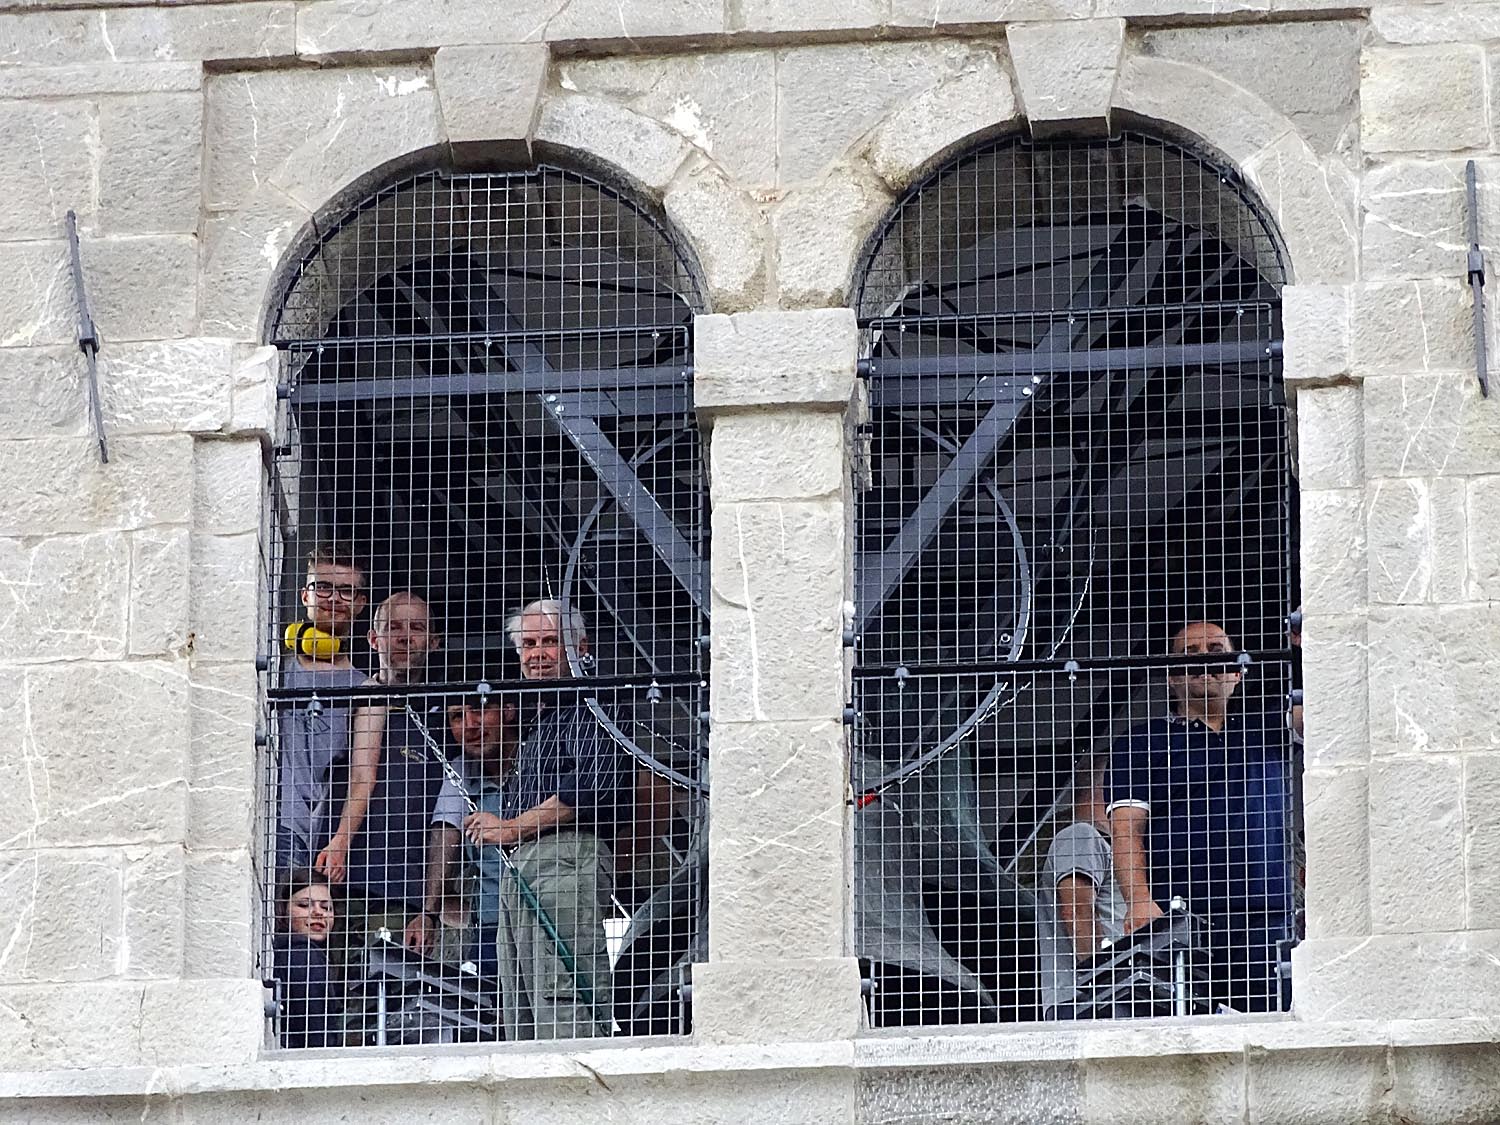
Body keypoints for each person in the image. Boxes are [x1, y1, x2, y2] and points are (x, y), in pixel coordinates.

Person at [1106, 621, 1294, 1013]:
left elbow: (1324, 712)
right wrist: (1138, 901)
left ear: (1237, 672)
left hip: (1268, 916)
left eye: (1216, 652)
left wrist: (1304, 651)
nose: (1205, 662)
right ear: (1172, 676)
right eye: (1189, 655)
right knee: (1188, 1031)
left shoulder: (1268, 727)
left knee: (1271, 1028)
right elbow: (1126, 830)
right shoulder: (1141, 742)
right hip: (1184, 919)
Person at [462, 598, 629, 1039]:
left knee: (563, 997)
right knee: (520, 1009)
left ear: (580, 647)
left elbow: (590, 787)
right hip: (526, 867)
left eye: (550, 641)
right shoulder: (545, 714)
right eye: (529, 644)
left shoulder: (592, 701)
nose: (537, 653)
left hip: (565, 859)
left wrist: (510, 828)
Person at [319, 592, 447, 960]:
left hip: (404, 893)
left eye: (416, 628)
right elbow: (363, 775)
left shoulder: (448, 714)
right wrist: (340, 843)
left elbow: (450, 815)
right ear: (373, 640)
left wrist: (430, 909)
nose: (405, 637)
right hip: (339, 882)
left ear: (434, 642)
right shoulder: (359, 695)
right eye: (393, 627)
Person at [407, 698, 521, 988]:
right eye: (457, 716)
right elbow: (445, 833)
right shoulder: (462, 768)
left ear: (508, 710)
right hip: (489, 929)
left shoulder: (538, 756)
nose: (470, 725)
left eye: (480, 710)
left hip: (543, 920)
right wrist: (429, 913)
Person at [276, 544, 368, 874]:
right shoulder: (274, 667)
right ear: (305, 596)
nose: (334, 599)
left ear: (361, 603)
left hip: (310, 834)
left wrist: (339, 841)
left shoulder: (364, 688)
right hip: (263, 817)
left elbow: (362, 775)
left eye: (346, 591)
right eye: (323, 587)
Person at [1036, 762, 1127, 1019]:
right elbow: (1076, 912)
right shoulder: (1082, 836)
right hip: (1089, 1001)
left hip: (1106, 997)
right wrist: (1104, 981)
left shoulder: (1106, 848)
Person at [272, 867, 342, 1048]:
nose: (318, 912)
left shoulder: (283, 952)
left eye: (326, 907)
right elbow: (316, 1034)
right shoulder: (303, 954)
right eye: (304, 905)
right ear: (283, 910)